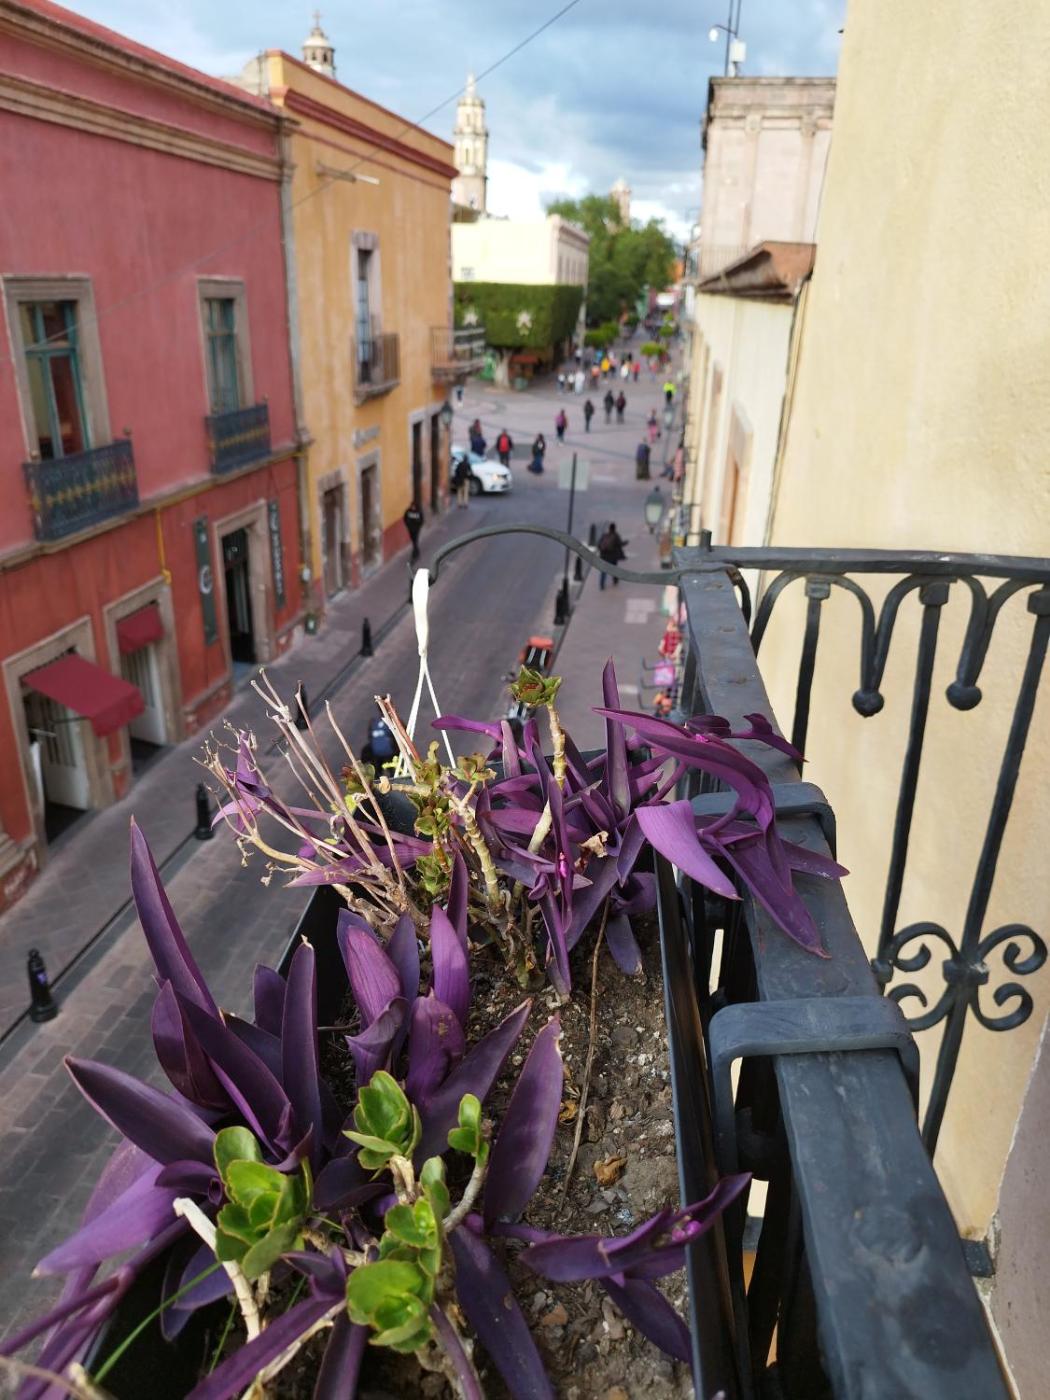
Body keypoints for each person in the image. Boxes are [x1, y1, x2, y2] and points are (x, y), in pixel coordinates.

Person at [597, 522, 627, 590]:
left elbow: (598, 544)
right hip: (612, 556)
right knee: (614, 569)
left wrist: (602, 550)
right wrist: (626, 542)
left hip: (603, 556)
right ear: (614, 528)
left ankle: (601, 585)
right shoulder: (616, 536)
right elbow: (620, 544)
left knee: (603, 571)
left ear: (609, 528)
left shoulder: (604, 535)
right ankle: (615, 580)